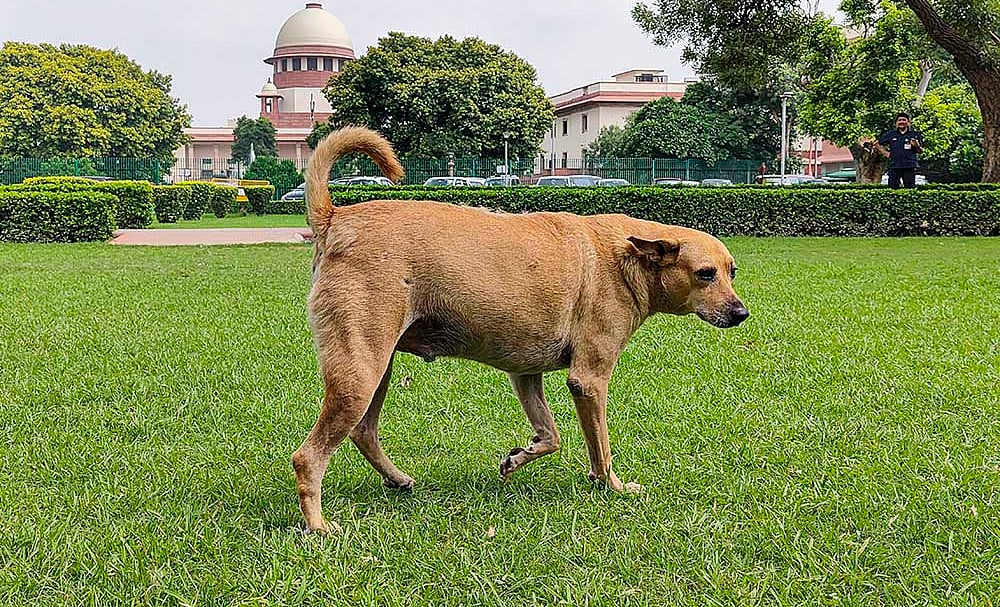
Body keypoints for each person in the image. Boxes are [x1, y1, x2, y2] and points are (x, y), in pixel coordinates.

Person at [874, 112, 924, 189]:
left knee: (910, 189)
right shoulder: (891, 134)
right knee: (892, 189)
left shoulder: (914, 134)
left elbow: (920, 151)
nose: (901, 122)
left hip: (909, 166)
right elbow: (877, 143)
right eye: (899, 120)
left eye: (904, 120)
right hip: (894, 165)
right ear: (896, 123)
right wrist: (886, 153)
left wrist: (916, 146)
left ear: (908, 122)